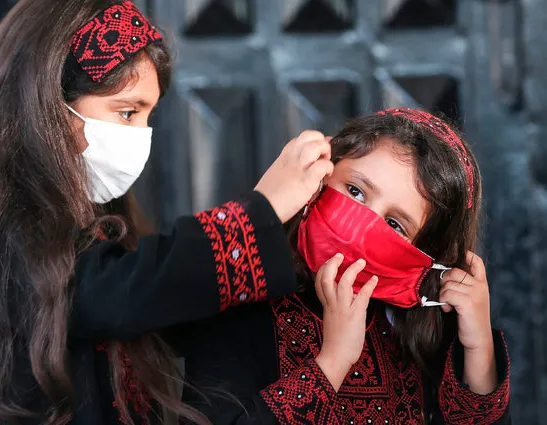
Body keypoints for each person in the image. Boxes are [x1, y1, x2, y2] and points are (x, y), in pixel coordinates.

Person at [0, 1, 334, 424]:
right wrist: (259, 212)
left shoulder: (98, 223)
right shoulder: (3, 224)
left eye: (147, 116)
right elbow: (112, 293)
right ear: (48, 103)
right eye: (127, 112)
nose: (141, 137)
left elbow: (170, 313)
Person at [180, 109, 511, 425]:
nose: (363, 225)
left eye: (395, 225)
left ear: (421, 255)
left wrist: (478, 344)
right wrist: (333, 362)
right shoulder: (237, 301)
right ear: (322, 176)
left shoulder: (416, 329)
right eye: (355, 191)